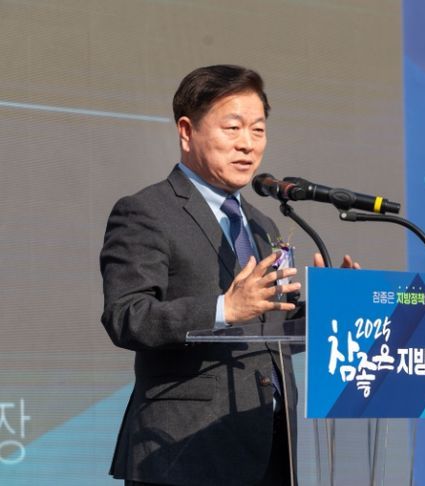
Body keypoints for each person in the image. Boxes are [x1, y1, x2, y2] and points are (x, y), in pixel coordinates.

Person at [100, 65, 358, 486]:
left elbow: (269, 330)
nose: (247, 144)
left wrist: (333, 311)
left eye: (258, 130)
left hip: (270, 447)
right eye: (233, 128)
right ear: (187, 131)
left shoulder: (261, 225)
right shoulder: (146, 212)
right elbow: (127, 316)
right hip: (182, 453)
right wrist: (224, 308)